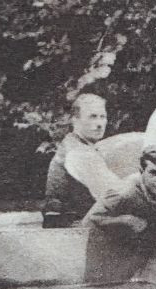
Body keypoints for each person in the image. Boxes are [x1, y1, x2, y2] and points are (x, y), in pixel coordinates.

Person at [84, 139, 156, 245]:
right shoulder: (124, 192)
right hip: (98, 241)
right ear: (141, 171)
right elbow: (94, 217)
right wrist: (127, 220)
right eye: (153, 173)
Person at [41, 92, 109, 228]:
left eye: (103, 117)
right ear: (75, 120)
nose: (99, 123)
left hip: (75, 224)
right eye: (92, 117)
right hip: (70, 229)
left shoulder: (80, 145)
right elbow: (109, 192)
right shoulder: (77, 151)